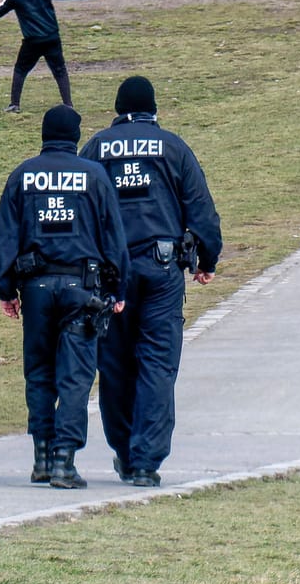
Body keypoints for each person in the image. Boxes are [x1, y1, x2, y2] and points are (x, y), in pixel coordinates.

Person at [81, 76, 221, 488]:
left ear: (118, 108)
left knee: (115, 364)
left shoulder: (97, 147)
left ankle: (124, 452)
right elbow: (201, 210)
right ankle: (146, 461)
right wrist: (206, 260)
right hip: (161, 271)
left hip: (109, 276)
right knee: (157, 365)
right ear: (152, 109)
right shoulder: (173, 148)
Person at [0, 105, 128, 489]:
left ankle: (42, 456)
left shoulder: (23, 175)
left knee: (39, 373)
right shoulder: (94, 176)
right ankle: (65, 459)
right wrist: (118, 288)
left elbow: (3, 238)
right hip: (82, 290)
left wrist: (5, 289)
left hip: (34, 290)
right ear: (75, 136)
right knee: (75, 376)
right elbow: (113, 238)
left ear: (44, 134)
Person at [0, 0, 105, 113]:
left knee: (20, 70)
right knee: (60, 71)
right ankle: (68, 105)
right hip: (52, 39)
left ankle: (14, 104)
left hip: (32, 42)